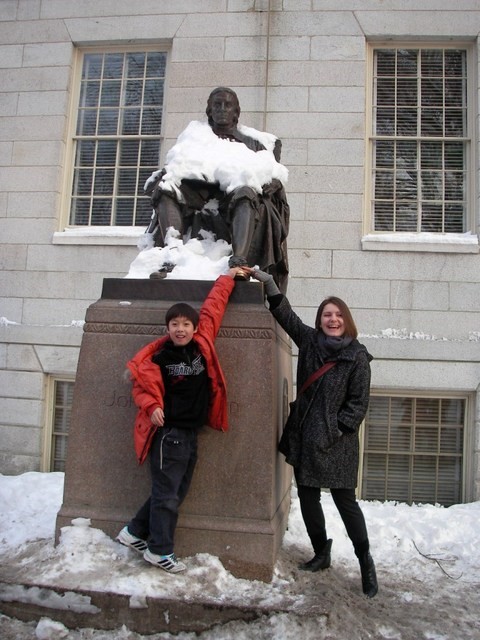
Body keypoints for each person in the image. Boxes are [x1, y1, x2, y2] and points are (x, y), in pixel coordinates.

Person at [245, 267, 378, 598]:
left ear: (346, 320)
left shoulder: (357, 356)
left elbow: (358, 403)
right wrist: (269, 283)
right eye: (327, 315)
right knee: (307, 498)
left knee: (346, 503)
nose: (332, 319)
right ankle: (321, 551)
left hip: (338, 444)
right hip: (306, 438)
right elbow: (285, 315)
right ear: (320, 320)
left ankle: (365, 560)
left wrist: (336, 429)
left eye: (338, 315)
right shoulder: (309, 342)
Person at [117, 265, 246, 573]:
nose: (180, 329)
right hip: (169, 434)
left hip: (190, 433)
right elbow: (141, 388)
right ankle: (159, 550)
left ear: (194, 327)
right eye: (174, 324)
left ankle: (135, 532)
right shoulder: (159, 358)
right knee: (167, 495)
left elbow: (213, 308)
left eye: (186, 324)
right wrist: (151, 407)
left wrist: (228, 278)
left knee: (174, 491)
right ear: (167, 328)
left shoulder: (202, 345)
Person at [144, 87, 290, 292]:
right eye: (217, 105)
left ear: (236, 112)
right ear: (209, 110)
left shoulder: (254, 142)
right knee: (166, 188)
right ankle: (173, 254)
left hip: (233, 198)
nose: (222, 109)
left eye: (227, 105)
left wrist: (275, 182)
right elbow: (176, 167)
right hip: (198, 195)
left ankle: (239, 262)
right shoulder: (194, 137)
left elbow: (273, 173)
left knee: (246, 193)